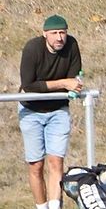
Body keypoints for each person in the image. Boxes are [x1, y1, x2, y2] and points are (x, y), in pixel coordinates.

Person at [19, 14, 82, 209]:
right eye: (54, 33)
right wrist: (63, 83)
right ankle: (41, 206)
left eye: (62, 32)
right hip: (31, 111)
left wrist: (73, 86)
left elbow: (75, 81)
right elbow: (29, 85)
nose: (59, 38)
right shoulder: (32, 48)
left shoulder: (72, 46)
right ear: (44, 34)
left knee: (56, 163)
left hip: (58, 110)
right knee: (36, 165)